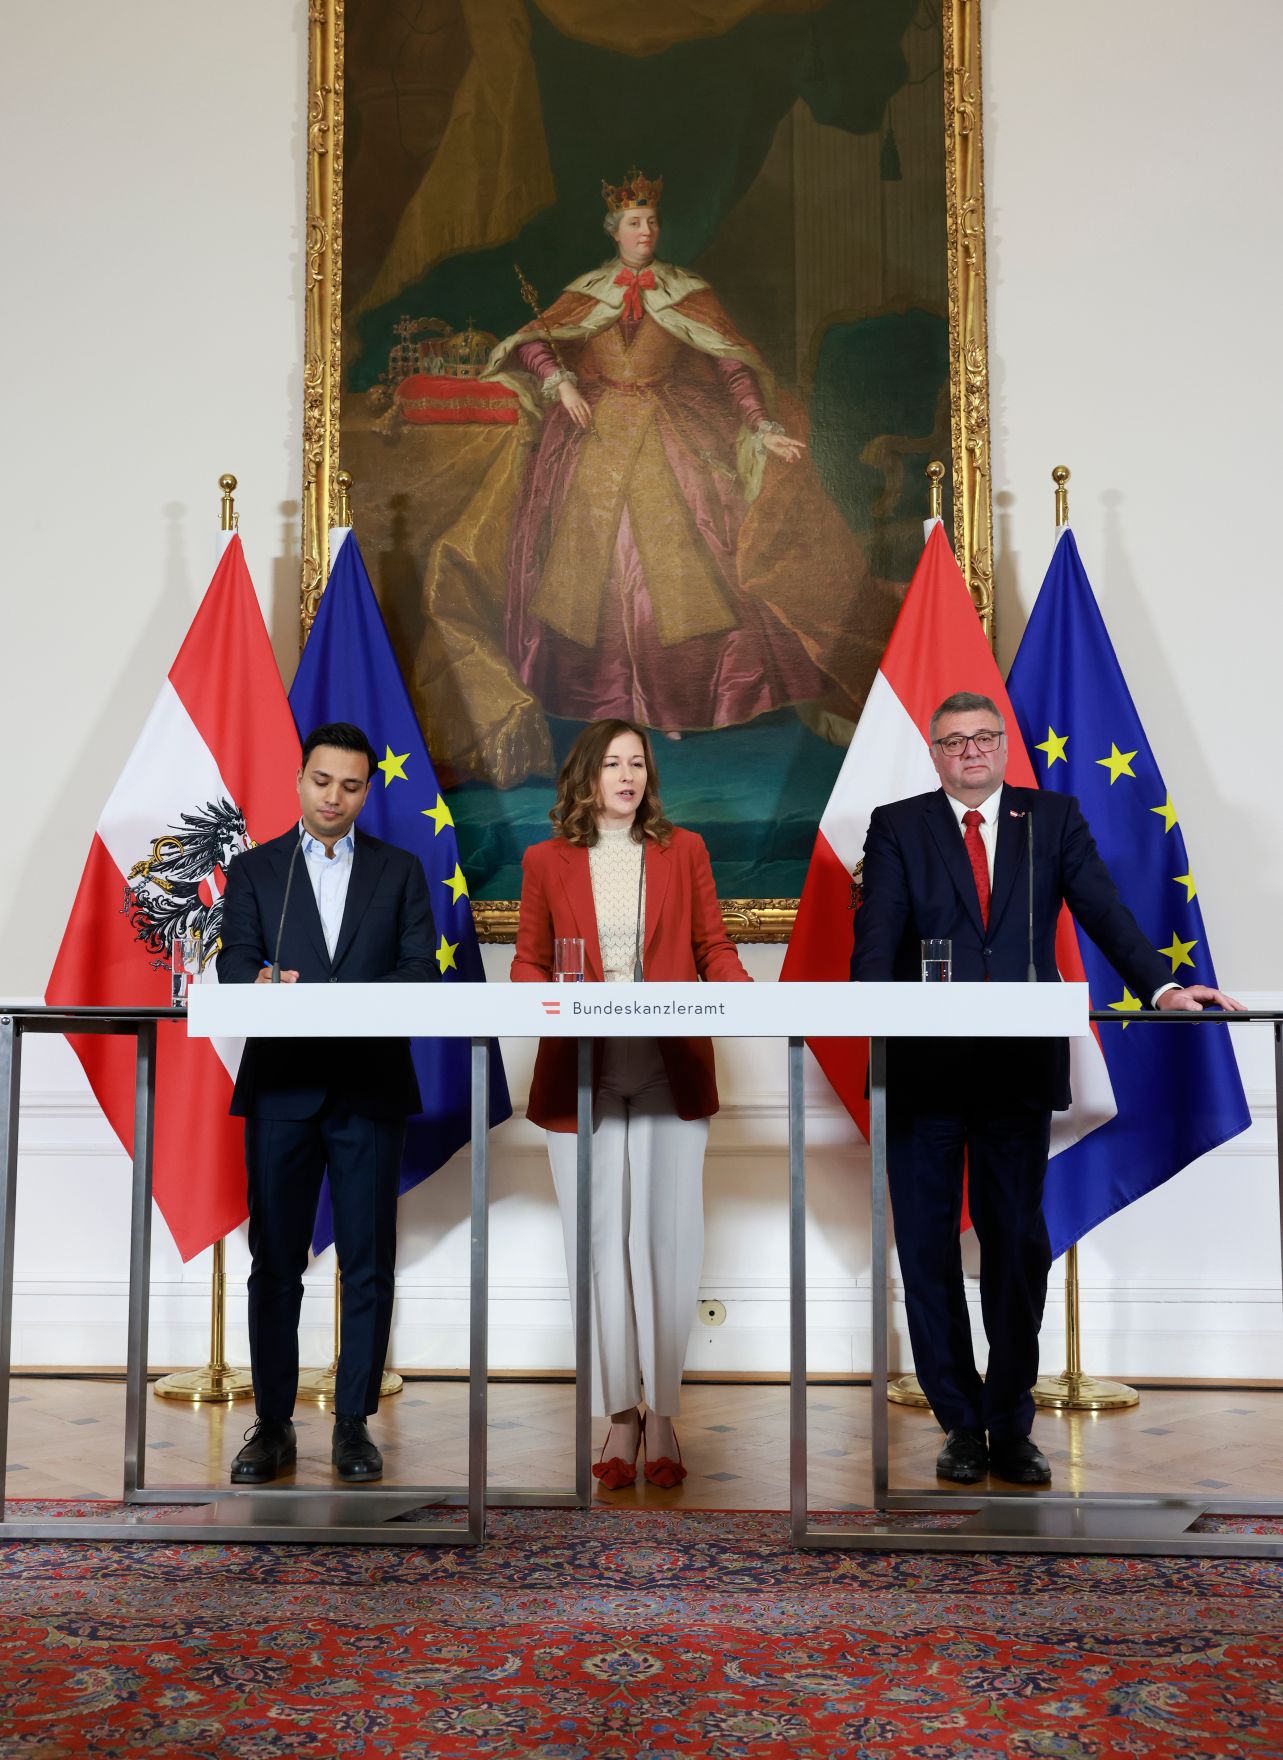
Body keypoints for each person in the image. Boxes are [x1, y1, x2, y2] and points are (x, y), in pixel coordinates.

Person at [850, 691, 1241, 1486]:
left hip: (1015, 1076)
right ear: (934, 754)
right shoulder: (898, 825)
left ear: (1002, 747)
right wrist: (870, 1004)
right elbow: (874, 944)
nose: (969, 752)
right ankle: (958, 1424)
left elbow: (1104, 912)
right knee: (925, 1252)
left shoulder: (1051, 819)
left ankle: (1009, 1423)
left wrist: (1163, 988)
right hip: (922, 1076)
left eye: (983, 738)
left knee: (1016, 1251)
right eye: (953, 742)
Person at [483, 166, 882, 737]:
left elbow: (731, 364)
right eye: (634, 222)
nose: (645, 231)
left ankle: (677, 702)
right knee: (590, 564)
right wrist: (561, 383)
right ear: (614, 231)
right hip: (591, 435)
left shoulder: (686, 293)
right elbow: (532, 346)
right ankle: (607, 700)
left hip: (667, 434)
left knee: (680, 561)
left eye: (651, 222)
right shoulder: (586, 293)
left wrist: (761, 424)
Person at [511, 719, 751, 1489]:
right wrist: (534, 1000)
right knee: (597, 1241)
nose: (626, 775)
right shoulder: (545, 860)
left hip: (666, 1066)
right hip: (578, 1071)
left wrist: (746, 1002)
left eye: (637, 763)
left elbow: (712, 946)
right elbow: (529, 959)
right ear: (584, 777)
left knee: (666, 1239)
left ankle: (666, 1411)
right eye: (611, 763)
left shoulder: (684, 852)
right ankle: (617, 1414)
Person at [217, 722, 437, 1485]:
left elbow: (419, 975)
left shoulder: (401, 870)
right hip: (281, 1090)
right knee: (274, 1263)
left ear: (365, 790)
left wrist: (347, 1003)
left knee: (368, 1263)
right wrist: (263, 986)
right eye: (321, 781)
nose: (333, 797)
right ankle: (272, 1426)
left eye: (349, 785)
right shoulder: (254, 872)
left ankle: (352, 1425)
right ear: (299, 780)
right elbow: (236, 967)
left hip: (369, 1089)